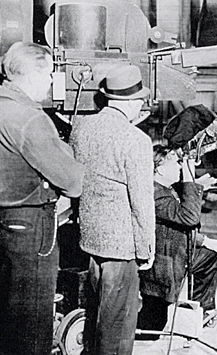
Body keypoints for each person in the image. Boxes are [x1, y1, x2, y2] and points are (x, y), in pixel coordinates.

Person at [0, 42, 84, 355]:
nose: (52, 81)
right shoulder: (30, 119)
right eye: (49, 73)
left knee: (8, 319)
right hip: (31, 229)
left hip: (5, 225)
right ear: (34, 74)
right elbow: (73, 181)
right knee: (32, 324)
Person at [69, 65, 155, 355]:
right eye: (140, 99)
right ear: (131, 103)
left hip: (91, 241)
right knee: (116, 331)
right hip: (122, 249)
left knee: (95, 321)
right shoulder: (136, 140)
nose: (142, 104)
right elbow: (142, 202)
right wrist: (145, 249)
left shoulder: (82, 128)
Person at [138, 145, 217, 337]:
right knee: (153, 324)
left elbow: (179, 226)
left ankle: (203, 309)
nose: (179, 167)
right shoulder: (155, 194)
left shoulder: (165, 189)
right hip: (161, 265)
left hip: (175, 250)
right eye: (175, 163)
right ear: (159, 168)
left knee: (210, 254)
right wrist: (188, 176)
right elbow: (189, 218)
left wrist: (204, 241)